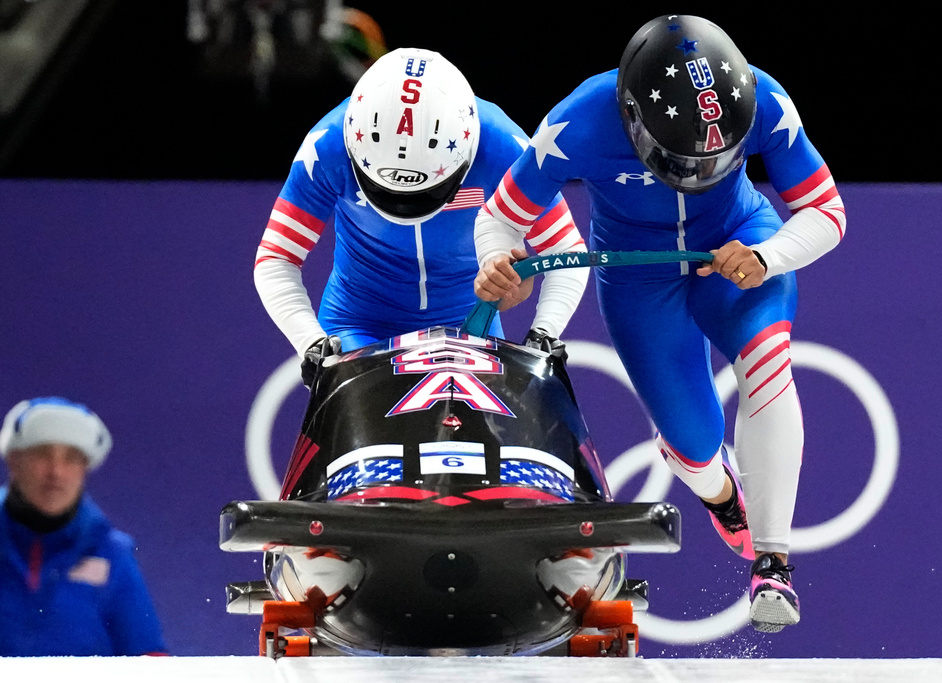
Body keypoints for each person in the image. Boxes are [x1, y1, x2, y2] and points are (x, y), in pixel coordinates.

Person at [474, 15, 846, 633]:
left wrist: (766, 256)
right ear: (634, 119)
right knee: (695, 449)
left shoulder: (766, 100)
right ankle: (720, 493)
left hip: (737, 246)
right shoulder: (580, 120)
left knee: (767, 362)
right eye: (682, 160)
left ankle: (773, 562)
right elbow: (501, 218)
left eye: (717, 159)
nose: (700, 173)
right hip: (638, 277)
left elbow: (826, 211)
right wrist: (496, 262)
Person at [254, 46, 588, 383]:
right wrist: (312, 343)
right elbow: (277, 257)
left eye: (424, 194)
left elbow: (566, 250)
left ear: (466, 156)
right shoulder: (327, 146)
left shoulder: (503, 147)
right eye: (386, 192)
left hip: (468, 325)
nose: (405, 207)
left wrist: (543, 334)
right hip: (357, 325)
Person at [0, 398, 167, 656]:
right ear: (14, 460)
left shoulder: (112, 553)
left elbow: (150, 659)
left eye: (72, 458)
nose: (56, 471)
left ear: (85, 469)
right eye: (43, 454)